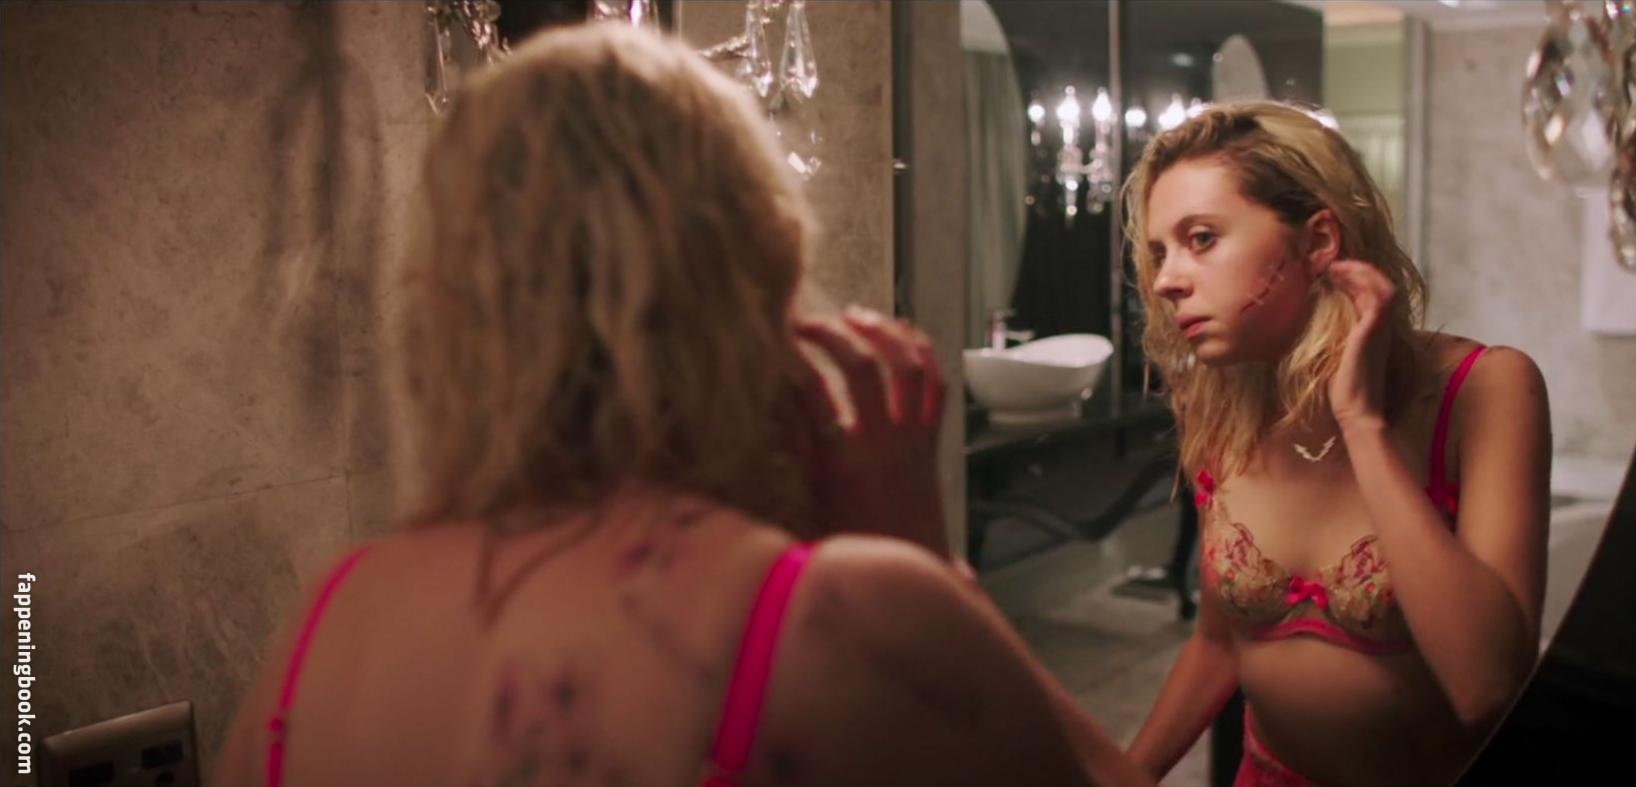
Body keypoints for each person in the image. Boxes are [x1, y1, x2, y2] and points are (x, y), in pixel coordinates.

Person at [211, 24, 1149, 787]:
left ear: (448, 301)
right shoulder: (833, 620)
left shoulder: (327, 621)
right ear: (754, 270)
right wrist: (928, 562)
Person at [1122, 101, 1551, 787]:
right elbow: (1221, 641)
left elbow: (1486, 683)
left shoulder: (1486, 388)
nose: (1168, 279)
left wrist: (1362, 424)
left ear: (1319, 241)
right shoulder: (1222, 407)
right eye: (1159, 253)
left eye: (1201, 238)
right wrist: (1129, 773)